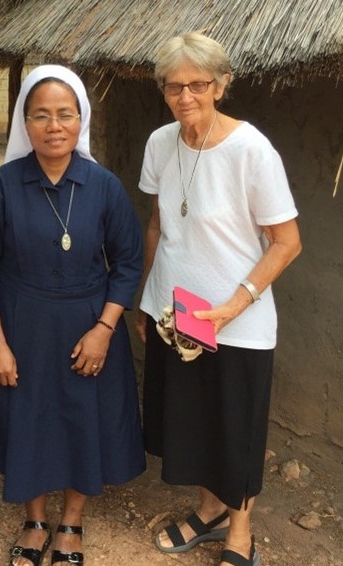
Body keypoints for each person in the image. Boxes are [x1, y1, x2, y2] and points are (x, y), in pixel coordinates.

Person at [0, 65, 145, 566]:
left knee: (82, 420)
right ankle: (36, 518)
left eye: (65, 114)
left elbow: (128, 262)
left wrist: (105, 329)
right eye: (41, 115)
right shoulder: (2, 185)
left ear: (80, 119)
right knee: (28, 419)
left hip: (88, 323)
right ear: (25, 123)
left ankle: (72, 522)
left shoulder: (103, 186)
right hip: (20, 323)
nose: (54, 125)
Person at [137, 32, 302, 566]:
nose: (185, 96)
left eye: (198, 84)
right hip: (177, 313)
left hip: (236, 320)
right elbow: (159, 224)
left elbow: (287, 242)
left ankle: (240, 531)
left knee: (235, 426)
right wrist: (147, 295)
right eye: (174, 86)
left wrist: (236, 303)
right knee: (194, 420)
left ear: (221, 84)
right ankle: (208, 512)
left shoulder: (250, 149)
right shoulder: (161, 143)